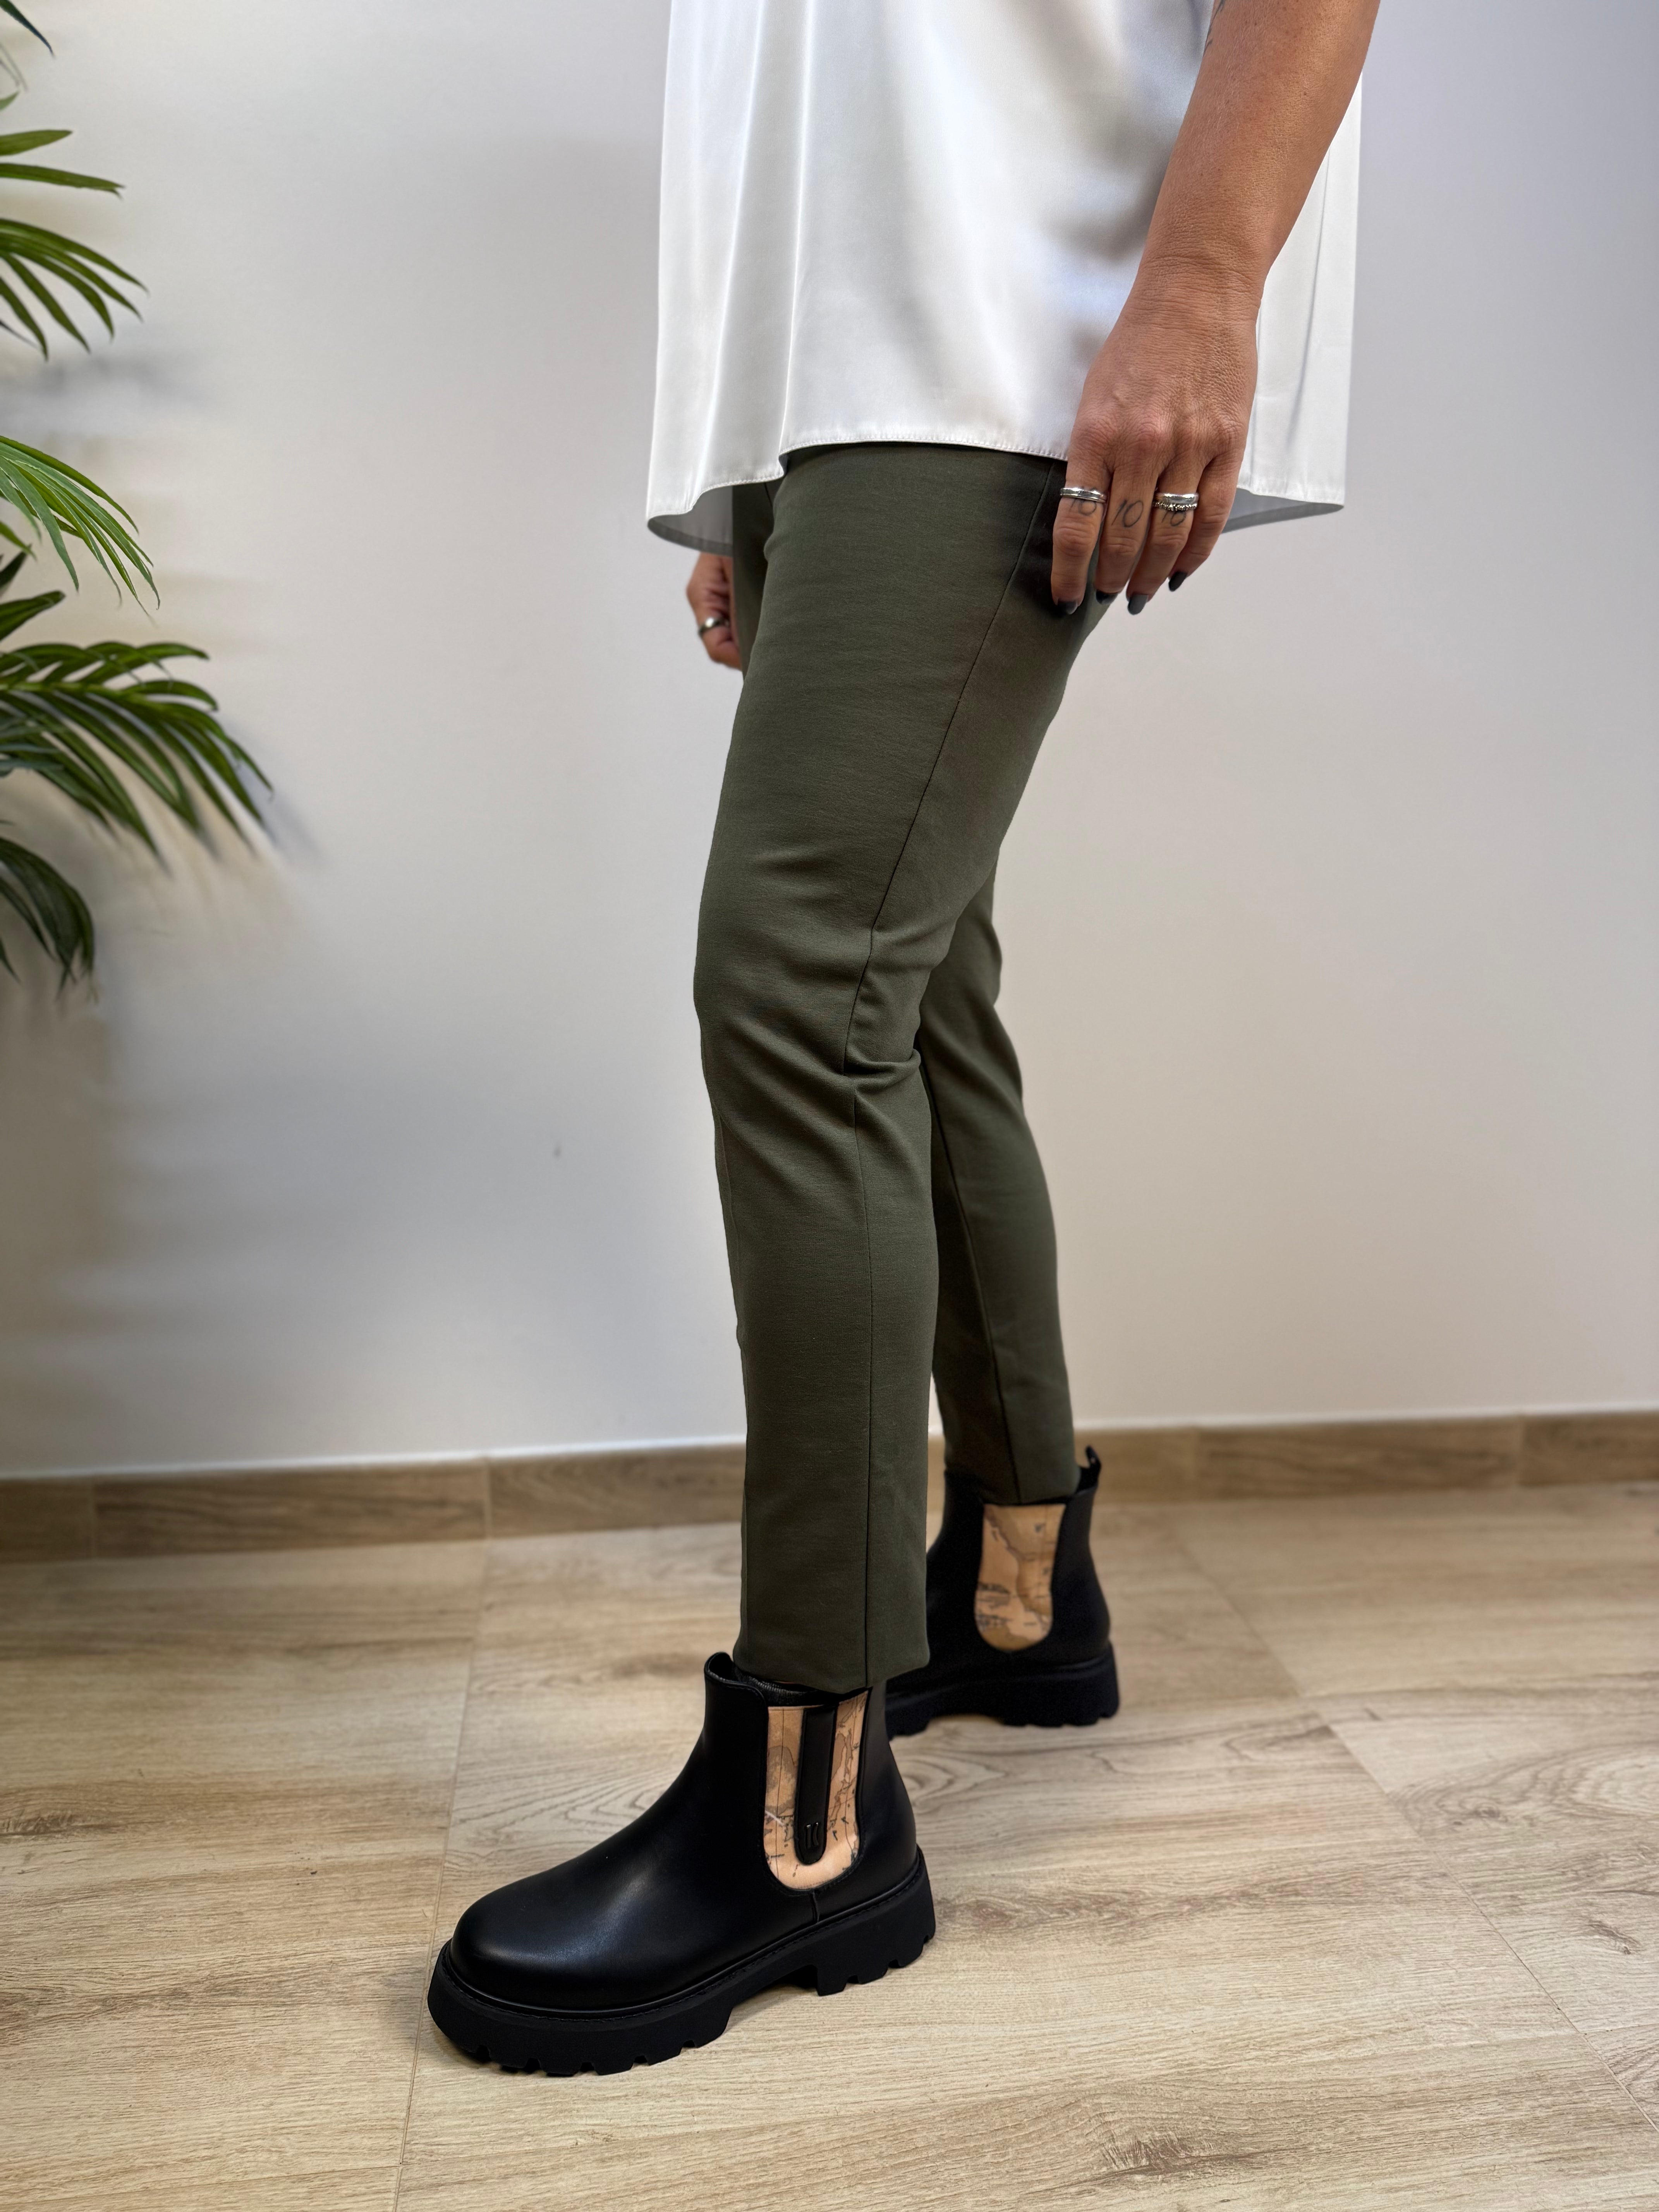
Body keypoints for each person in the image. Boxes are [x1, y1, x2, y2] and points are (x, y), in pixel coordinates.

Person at [428, 0, 1378, 2076]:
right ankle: (1019, 1597)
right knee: (910, 974)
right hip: (839, 358)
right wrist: (736, 462)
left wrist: (1204, 283)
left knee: (804, 986)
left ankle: (811, 1807)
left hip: (1008, 312)